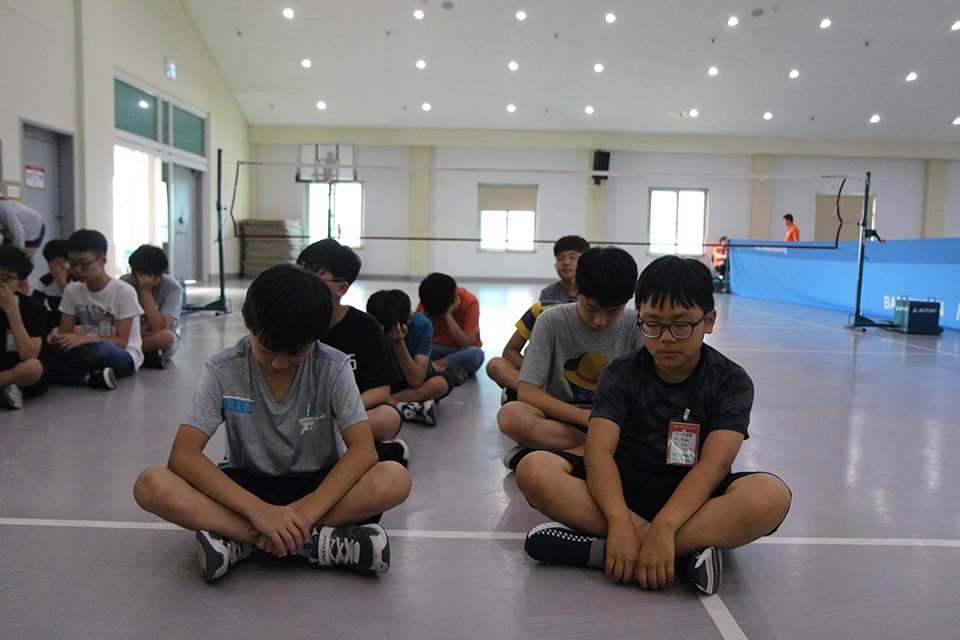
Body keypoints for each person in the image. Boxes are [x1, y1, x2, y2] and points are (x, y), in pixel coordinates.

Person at [517, 255, 792, 595]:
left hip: (694, 498)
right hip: (621, 490)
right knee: (534, 469)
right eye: (652, 324)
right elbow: (599, 453)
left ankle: (605, 551)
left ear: (708, 320)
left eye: (681, 325)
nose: (666, 338)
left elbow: (715, 464)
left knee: (770, 496)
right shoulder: (620, 374)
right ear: (640, 320)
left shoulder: (730, 381)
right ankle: (682, 554)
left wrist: (666, 525)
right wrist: (619, 518)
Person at [132, 264, 411, 582]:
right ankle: (315, 543)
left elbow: (362, 451)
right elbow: (183, 454)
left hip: (318, 487)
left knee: (394, 478)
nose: (279, 362)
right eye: (267, 348)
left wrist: (301, 515)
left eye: (296, 352)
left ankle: (242, 540)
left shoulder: (333, 367)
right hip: (247, 486)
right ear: (247, 319)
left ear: (318, 335)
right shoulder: (224, 369)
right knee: (151, 484)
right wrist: (259, 511)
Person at [498, 246, 641, 469]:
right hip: (564, 418)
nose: (599, 321)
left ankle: (560, 451)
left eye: (612, 312)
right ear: (575, 288)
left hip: (615, 422)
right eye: (591, 308)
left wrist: (606, 420)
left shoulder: (635, 325)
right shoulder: (550, 321)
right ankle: (593, 449)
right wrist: (587, 418)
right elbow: (528, 391)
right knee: (511, 416)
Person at [296, 239, 406, 462]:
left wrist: (340, 411)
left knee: (388, 417)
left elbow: (381, 390)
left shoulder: (365, 326)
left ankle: (330, 453)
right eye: (300, 275)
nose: (303, 285)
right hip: (300, 414)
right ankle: (360, 453)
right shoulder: (292, 322)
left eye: (314, 278)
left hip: (345, 415)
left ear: (341, 288)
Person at [41, 229, 143, 390]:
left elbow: (122, 342)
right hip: (86, 349)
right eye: (72, 264)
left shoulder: (123, 291)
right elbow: (64, 333)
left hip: (121, 354)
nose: (77, 269)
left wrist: (82, 339)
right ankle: (88, 378)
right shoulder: (72, 290)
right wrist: (56, 339)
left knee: (103, 351)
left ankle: (71, 374)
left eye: (84, 264)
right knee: (40, 352)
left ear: (102, 261)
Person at [366, 289, 455, 426]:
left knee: (441, 383)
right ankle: (406, 407)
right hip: (383, 383)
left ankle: (388, 402)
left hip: (410, 383)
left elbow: (416, 381)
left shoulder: (422, 324)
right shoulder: (368, 327)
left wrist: (398, 343)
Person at [485, 299, 561, 404]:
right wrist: (532, 372)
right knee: (495, 365)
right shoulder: (540, 309)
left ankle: (528, 395)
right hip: (536, 377)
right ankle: (534, 394)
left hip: (566, 382)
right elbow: (510, 351)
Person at [120, 244, 183, 369]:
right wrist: (136, 333)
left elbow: (159, 328)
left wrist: (145, 290)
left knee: (166, 337)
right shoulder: (124, 283)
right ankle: (145, 356)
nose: (136, 279)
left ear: (158, 277)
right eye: (133, 273)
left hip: (152, 337)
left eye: (141, 275)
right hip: (131, 334)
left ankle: (128, 355)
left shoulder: (173, 288)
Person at [0, 246, 47, 409]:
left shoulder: (33, 308)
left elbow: (29, 354)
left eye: (5, 278)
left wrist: (12, 311)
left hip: (15, 370)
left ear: (21, 284)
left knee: (33, 368)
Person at [416, 272, 485, 384]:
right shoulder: (429, 297)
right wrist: (423, 316)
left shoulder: (469, 301)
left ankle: (430, 367)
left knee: (476, 355)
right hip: (434, 348)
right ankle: (445, 370)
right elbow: (415, 336)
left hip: (459, 351)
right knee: (408, 350)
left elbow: (467, 343)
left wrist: (448, 315)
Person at [30, 239, 73, 329]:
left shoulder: (78, 279)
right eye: (51, 264)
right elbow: (34, 307)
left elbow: (74, 304)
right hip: (55, 325)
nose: (55, 269)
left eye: (59, 265)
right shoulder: (45, 281)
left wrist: (62, 282)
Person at [539, 235, 590, 303]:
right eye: (560, 258)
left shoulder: (595, 292)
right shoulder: (548, 294)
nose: (566, 262)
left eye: (573, 257)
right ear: (555, 265)